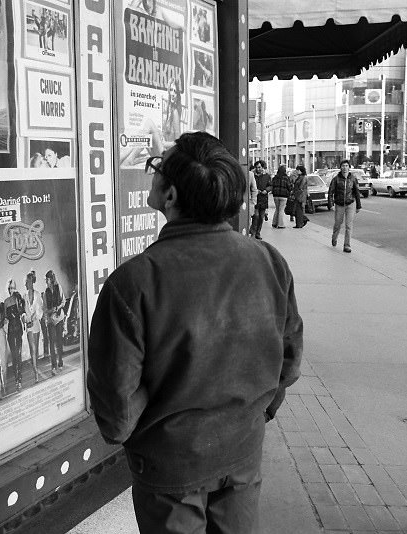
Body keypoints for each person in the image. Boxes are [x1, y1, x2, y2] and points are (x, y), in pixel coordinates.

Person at [87, 132, 303, 534]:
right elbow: (288, 363)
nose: (151, 174)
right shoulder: (269, 262)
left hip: (171, 471)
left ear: (170, 197)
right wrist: (258, 413)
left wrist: (149, 437)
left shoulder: (133, 283)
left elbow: (116, 408)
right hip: (243, 451)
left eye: (156, 168)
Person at [327, 160, 362, 253]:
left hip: (350, 204)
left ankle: (347, 245)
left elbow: (357, 192)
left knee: (348, 225)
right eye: (343, 165)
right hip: (339, 205)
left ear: (349, 167)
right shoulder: (336, 179)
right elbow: (330, 192)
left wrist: (358, 205)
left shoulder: (353, 178)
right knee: (338, 224)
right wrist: (331, 205)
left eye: (347, 165)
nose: (345, 167)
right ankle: (334, 237)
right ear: (340, 167)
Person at [4, 279, 26, 391]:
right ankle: (17, 380)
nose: (11, 290)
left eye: (12, 288)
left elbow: (22, 312)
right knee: (14, 356)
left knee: (19, 354)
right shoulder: (6, 301)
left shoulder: (18, 298)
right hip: (11, 332)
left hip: (18, 329)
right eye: (9, 288)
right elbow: (5, 318)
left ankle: (19, 379)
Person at [23, 270, 44, 383]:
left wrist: (35, 317)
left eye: (28, 281)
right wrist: (26, 318)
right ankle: (36, 373)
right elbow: (23, 311)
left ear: (32, 282)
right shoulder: (24, 296)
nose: (26, 283)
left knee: (36, 349)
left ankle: (36, 368)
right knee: (32, 349)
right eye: (26, 282)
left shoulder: (37, 294)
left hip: (36, 324)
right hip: (29, 325)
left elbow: (40, 310)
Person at [44, 270, 66, 374]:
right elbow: (45, 309)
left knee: (59, 342)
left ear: (51, 279)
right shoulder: (46, 292)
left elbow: (63, 301)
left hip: (59, 318)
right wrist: (51, 310)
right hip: (50, 321)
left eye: (48, 279)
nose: (47, 281)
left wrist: (58, 307)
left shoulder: (59, 287)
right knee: (51, 343)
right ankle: (53, 366)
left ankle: (60, 363)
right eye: (46, 279)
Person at [249, 160, 271, 240]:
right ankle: (253, 232)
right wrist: (255, 190)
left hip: (263, 199)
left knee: (261, 217)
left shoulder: (267, 176)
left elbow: (270, 185)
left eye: (260, 167)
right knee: (256, 216)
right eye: (257, 167)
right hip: (255, 199)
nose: (258, 169)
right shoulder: (252, 175)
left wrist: (266, 190)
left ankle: (258, 233)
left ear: (262, 167)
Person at [270, 165, 290, 229]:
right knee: (281, 210)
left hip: (275, 195)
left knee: (277, 209)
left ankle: (274, 223)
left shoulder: (275, 178)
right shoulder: (286, 178)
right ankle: (280, 224)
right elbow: (289, 186)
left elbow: (272, 186)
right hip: (284, 196)